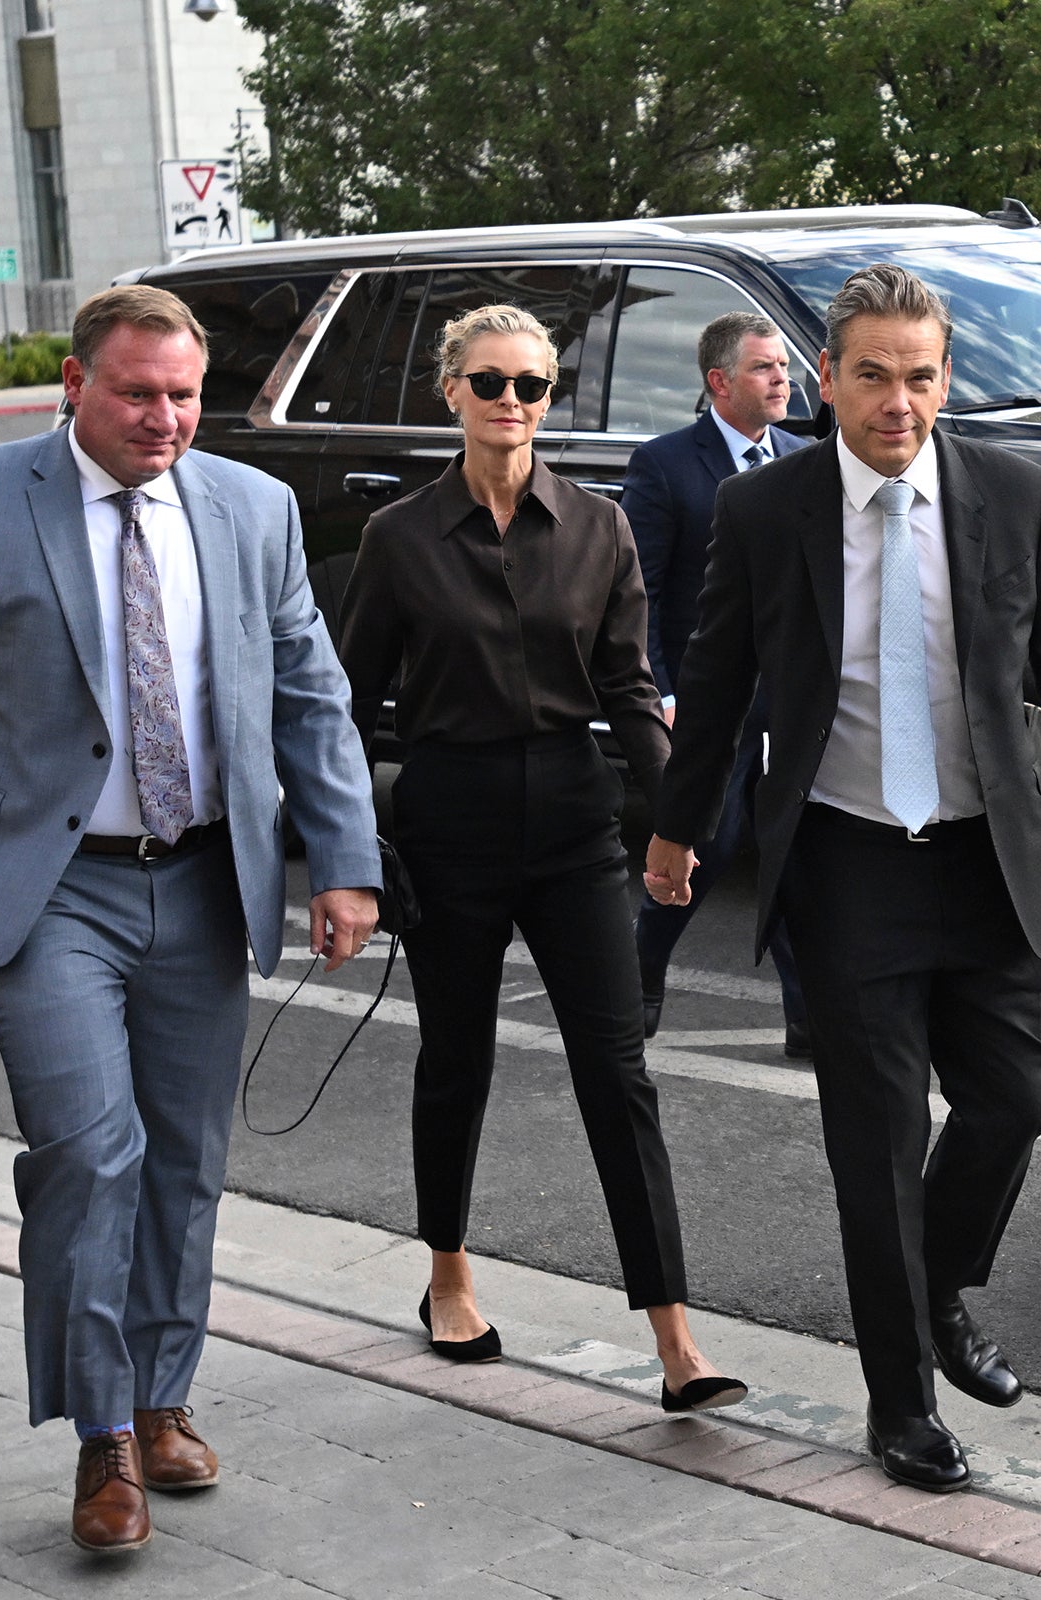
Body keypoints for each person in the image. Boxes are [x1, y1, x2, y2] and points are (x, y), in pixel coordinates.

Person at [0, 286, 384, 1554]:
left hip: (205, 877)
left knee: (186, 1161)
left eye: (185, 394)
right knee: (92, 1154)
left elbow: (310, 691)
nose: (166, 417)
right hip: (49, 888)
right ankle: (101, 1438)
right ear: (72, 382)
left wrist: (345, 861)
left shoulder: (253, 509)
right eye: (139, 392)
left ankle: (162, 1393)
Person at [645, 265, 1041, 1492]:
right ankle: (901, 1402)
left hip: (986, 858)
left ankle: (934, 1291)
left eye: (919, 375)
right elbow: (715, 684)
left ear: (944, 378)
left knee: (1012, 1101)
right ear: (827, 380)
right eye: (870, 374)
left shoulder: (1010, 495)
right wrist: (676, 830)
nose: (897, 400)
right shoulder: (767, 515)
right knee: (874, 1146)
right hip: (848, 858)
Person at [336, 304, 744, 1410]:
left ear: (550, 396)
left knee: (618, 1071)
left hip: (571, 812)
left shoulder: (599, 529)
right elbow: (345, 702)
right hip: (450, 812)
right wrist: (354, 850)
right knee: (455, 1060)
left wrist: (673, 823)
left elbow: (627, 691)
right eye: (489, 383)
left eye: (531, 384)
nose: (510, 402)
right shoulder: (401, 538)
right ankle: (447, 1276)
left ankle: (675, 1336)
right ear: (451, 393)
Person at [624, 311, 810, 1053]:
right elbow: (639, 592)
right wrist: (662, 694)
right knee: (716, 838)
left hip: (795, 697)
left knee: (798, 848)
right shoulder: (666, 465)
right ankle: (642, 964)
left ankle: (809, 1018)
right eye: (765, 368)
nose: (782, 381)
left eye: (785, 368)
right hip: (708, 698)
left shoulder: (805, 456)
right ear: (719, 381)